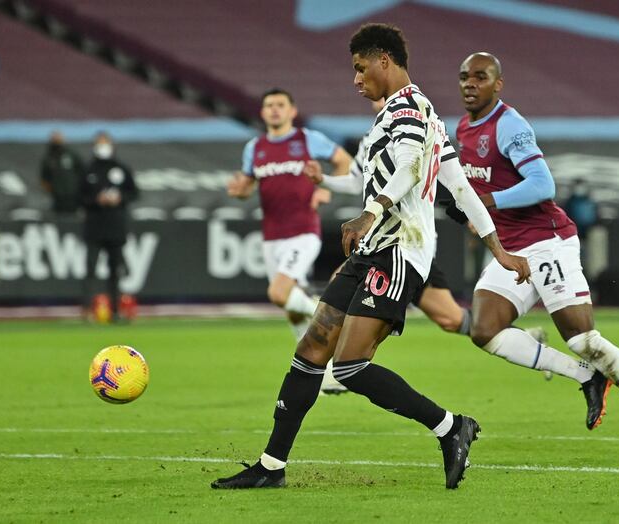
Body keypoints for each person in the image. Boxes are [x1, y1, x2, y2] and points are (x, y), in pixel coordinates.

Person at [212, 23, 530, 490]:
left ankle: (450, 427)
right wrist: (496, 246)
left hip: (399, 250)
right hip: (374, 248)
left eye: (361, 68)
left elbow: (410, 168)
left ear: (385, 60)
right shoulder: (413, 116)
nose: (356, 79)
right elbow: (458, 186)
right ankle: (271, 467)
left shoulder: (410, 108)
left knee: (349, 365)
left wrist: (371, 212)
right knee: (310, 350)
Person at [457, 52, 619, 457]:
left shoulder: (509, 125)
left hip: (547, 241)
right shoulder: (462, 128)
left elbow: (542, 184)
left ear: (498, 84)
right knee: (484, 329)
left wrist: (489, 202)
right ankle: (587, 378)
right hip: (512, 247)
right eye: (464, 77)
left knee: (583, 339)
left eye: (480, 77)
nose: (469, 83)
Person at [304, 98, 547, 342]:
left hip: (408, 243)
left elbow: (443, 183)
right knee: (451, 319)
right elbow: (356, 180)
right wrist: (323, 180)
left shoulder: (417, 127)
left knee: (339, 300)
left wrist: (469, 219)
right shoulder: (372, 135)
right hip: (381, 242)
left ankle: (336, 370)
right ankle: (525, 338)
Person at [227, 87, 352, 393]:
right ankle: (325, 376)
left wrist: (326, 189)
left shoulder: (306, 139)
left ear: (292, 111)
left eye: (280, 105)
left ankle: (330, 317)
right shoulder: (254, 148)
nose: (274, 110)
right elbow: (245, 187)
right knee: (291, 309)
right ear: (262, 112)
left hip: (303, 231)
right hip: (272, 237)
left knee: (279, 292)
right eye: (269, 105)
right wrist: (239, 189)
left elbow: (344, 161)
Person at [80, 132, 139, 322]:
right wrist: (96, 200)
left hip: (115, 226)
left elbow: (134, 193)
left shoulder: (121, 169)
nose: (102, 147)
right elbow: (79, 197)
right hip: (94, 226)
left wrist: (120, 198)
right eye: (99, 143)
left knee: (115, 270)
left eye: (105, 143)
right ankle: (87, 310)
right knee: (90, 268)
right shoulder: (88, 170)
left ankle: (115, 311)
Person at [40, 131, 85, 215]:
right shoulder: (48, 158)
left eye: (59, 139)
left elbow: (82, 171)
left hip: (73, 196)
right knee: (59, 218)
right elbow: (44, 178)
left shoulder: (71, 155)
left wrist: (78, 188)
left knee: (73, 218)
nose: (57, 141)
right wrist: (53, 191)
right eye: (54, 139)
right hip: (57, 197)